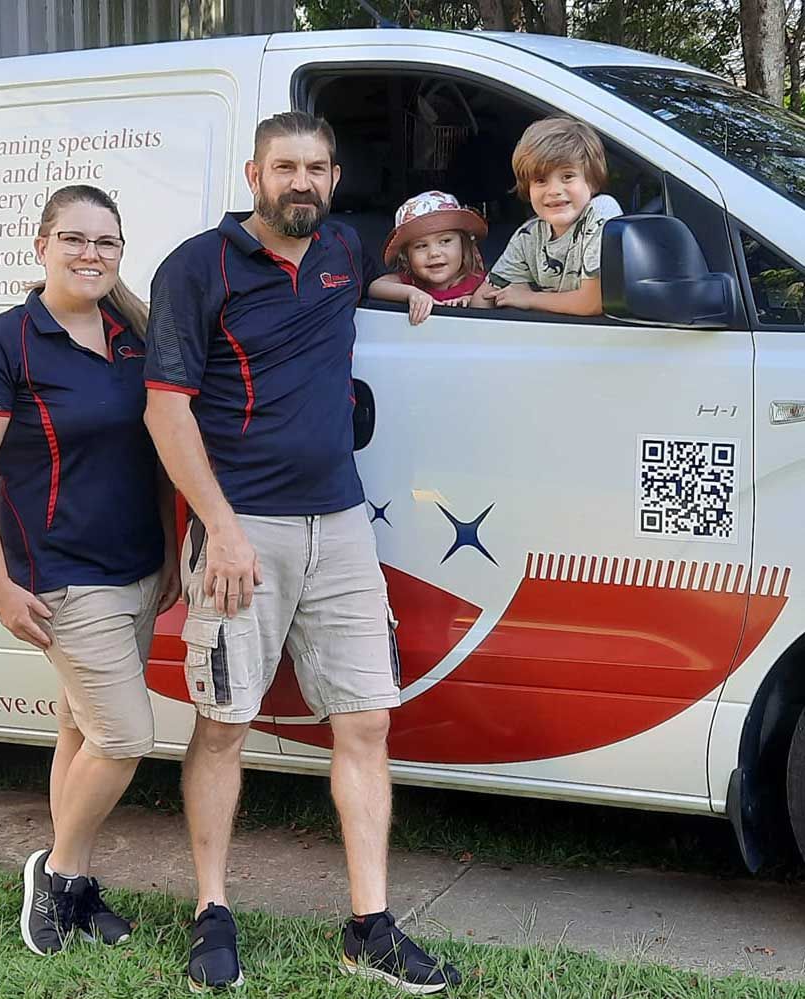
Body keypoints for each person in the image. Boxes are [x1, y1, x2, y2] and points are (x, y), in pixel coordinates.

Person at [143, 111, 461, 994]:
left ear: (332, 177)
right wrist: (223, 527)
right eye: (286, 167)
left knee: (365, 721)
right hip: (241, 527)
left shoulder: (343, 250)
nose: (303, 183)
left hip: (342, 524)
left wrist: (416, 293)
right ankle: (212, 910)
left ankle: (371, 923)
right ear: (254, 173)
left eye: (318, 168)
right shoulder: (197, 268)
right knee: (224, 724)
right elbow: (166, 412)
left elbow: (385, 276)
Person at [0, 184, 180, 956]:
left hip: (139, 564)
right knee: (124, 736)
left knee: (80, 725)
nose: (91, 254)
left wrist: (173, 552)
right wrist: (0, 587)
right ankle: (59, 868)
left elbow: (156, 454)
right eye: (74, 239)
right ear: (40, 243)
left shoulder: (133, 335)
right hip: (62, 578)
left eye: (106, 242)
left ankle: (74, 891)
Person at [471, 117, 622, 316]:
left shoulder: (601, 211)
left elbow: (592, 302)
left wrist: (528, 298)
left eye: (567, 176)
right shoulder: (529, 235)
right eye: (541, 180)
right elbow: (482, 300)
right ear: (528, 188)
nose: (554, 190)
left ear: (592, 181)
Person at [369, 190, 487, 324]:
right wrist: (411, 293)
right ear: (407, 257)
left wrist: (475, 302)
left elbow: (497, 296)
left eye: (445, 241)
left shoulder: (481, 283)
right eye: (421, 246)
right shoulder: (412, 282)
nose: (434, 253)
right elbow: (375, 287)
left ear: (463, 245)